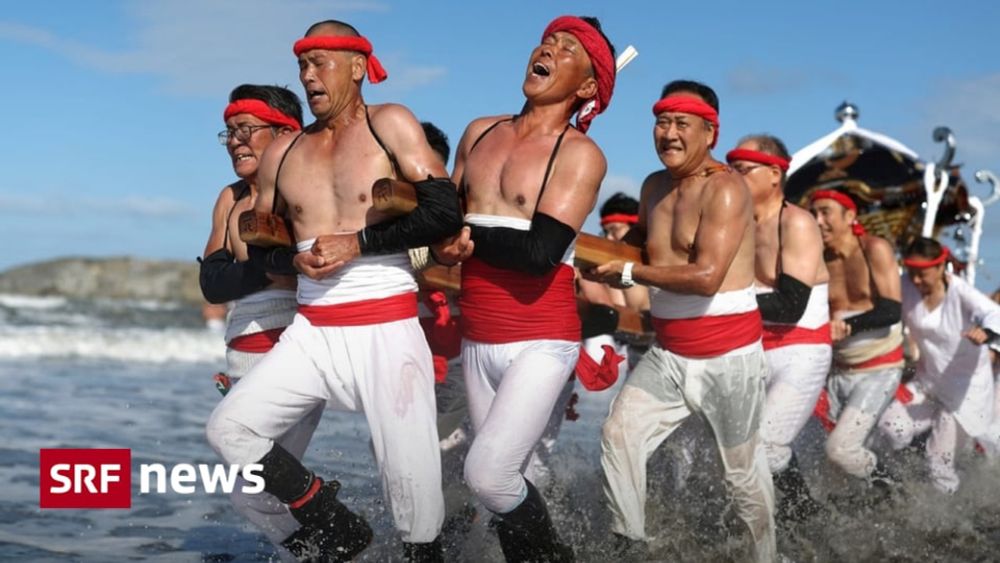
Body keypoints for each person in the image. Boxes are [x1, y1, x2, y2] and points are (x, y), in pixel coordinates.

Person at [206, 20, 463, 562]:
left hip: (387, 326)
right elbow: (263, 241)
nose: (308, 75)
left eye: (321, 62)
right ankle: (333, 522)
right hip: (312, 330)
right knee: (230, 428)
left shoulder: (388, 123)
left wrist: (358, 243)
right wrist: (291, 258)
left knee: (412, 495)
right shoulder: (286, 152)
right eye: (302, 64)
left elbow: (444, 210)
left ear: (358, 66)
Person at [433, 14, 617, 562]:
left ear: (587, 86)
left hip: (541, 339)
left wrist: (465, 236)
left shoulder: (580, 154)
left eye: (567, 49)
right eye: (548, 41)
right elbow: (444, 222)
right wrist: (439, 243)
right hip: (478, 340)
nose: (548, 49)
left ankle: (558, 555)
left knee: (488, 475)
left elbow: (538, 256)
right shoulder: (479, 132)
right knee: (501, 485)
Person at [588, 80, 775, 562]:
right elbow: (629, 246)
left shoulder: (727, 188)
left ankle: (767, 557)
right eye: (662, 122)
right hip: (670, 353)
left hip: (729, 358)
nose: (668, 134)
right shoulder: (652, 186)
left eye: (681, 125)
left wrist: (629, 271)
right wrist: (577, 254)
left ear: (710, 132)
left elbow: (707, 277)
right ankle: (630, 543)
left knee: (740, 479)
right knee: (618, 434)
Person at [198, 84, 323, 560]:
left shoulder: (302, 191)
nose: (236, 141)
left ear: (285, 133)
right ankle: (331, 548)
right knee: (256, 487)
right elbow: (212, 282)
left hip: (288, 349)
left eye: (247, 129)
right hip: (240, 351)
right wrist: (263, 269)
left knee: (249, 489)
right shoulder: (229, 199)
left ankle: (340, 542)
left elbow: (310, 262)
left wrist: (255, 270)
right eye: (229, 132)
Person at [727, 135, 830, 522]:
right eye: (731, 169)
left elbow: (789, 307)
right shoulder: (736, 223)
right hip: (752, 347)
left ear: (774, 174)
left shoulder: (797, 223)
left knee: (764, 448)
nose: (733, 178)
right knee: (735, 450)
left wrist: (720, 300)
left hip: (800, 353)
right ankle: (805, 519)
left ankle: (793, 525)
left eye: (742, 170)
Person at [878, 237, 1000, 492]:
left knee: (938, 462)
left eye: (922, 274)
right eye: (912, 273)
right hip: (928, 384)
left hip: (965, 394)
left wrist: (986, 333)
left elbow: (994, 314)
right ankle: (898, 487)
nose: (916, 280)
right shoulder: (905, 286)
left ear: (940, 266)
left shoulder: (961, 293)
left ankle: (950, 522)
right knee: (891, 427)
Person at [809, 189, 902, 492]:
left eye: (825, 212)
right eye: (813, 214)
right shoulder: (815, 259)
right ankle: (866, 510)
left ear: (850, 217)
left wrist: (848, 325)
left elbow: (891, 310)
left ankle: (895, 488)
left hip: (879, 369)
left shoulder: (874, 248)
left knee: (839, 451)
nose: (817, 221)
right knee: (831, 470)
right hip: (836, 372)